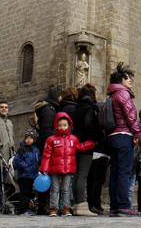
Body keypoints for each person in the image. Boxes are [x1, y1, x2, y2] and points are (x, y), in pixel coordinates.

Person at [40, 112, 96, 217]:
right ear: (56, 125)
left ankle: (65, 208)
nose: (62, 127)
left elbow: (80, 147)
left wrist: (91, 143)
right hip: (54, 169)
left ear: (69, 126)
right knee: (55, 189)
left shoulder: (73, 139)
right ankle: (53, 208)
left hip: (68, 169)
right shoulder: (51, 139)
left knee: (66, 189)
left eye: (64, 125)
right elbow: (46, 155)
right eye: (60, 125)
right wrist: (44, 168)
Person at [107, 63, 141, 217]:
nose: (130, 81)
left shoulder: (112, 94)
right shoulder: (123, 93)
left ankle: (115, 206)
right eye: (128, 78)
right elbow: (131, 116)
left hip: (113, 136)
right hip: (124, 135)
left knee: (115, 172)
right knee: (123, 172)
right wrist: (137, 134)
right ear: (121, 80)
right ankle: (123, 206)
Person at [70, 84, 100, 216]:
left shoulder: (77, 107)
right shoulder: (89, 108)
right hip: (86, 143)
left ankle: (77, 204)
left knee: (77, 176)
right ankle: (82, 205)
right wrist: (96, 137)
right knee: (82, 175)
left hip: (76, 142)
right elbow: (89, 125)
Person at [32, 87, 59, 215]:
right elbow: (47, 132)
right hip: (47, 148)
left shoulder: (46, 108)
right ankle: (43, 206)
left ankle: (43, 205)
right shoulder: (49, 110)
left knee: (44, 175)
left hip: (44, 147)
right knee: (45, 176)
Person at [12, 129, 40, 215]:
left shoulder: (36, 150)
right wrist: (26, 166)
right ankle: (23, 209)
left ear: (34, 139)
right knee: (24, 193)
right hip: (24, 175)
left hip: (33, 175)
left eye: (31, 138)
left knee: (31, 193)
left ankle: (29, 209)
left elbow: (38, 160)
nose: (29, 140)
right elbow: (16, 161)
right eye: (27, 138)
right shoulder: (21, 149)